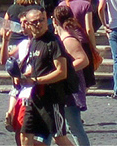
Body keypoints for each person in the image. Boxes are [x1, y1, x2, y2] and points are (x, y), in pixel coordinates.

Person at [7, 8, 70, 146]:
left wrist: (35, 80)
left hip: (51, 98)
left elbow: (61, 72)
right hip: (33, 98)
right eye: (34, 22)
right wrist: (23, 76)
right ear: (28, 25)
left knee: (59, 138)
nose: (39, 24)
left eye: (41, 20)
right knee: (24, 135)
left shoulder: (53, 42)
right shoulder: (33, 42)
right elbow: (35, 68)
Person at [51, 4, 92, 146]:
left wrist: (64, 68)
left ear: (55, 21)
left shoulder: (68, 39)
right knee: (69, 127)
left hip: (71, 89)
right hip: (65, 87)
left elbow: (83, 60)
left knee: (75, 127)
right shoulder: (63, 37)